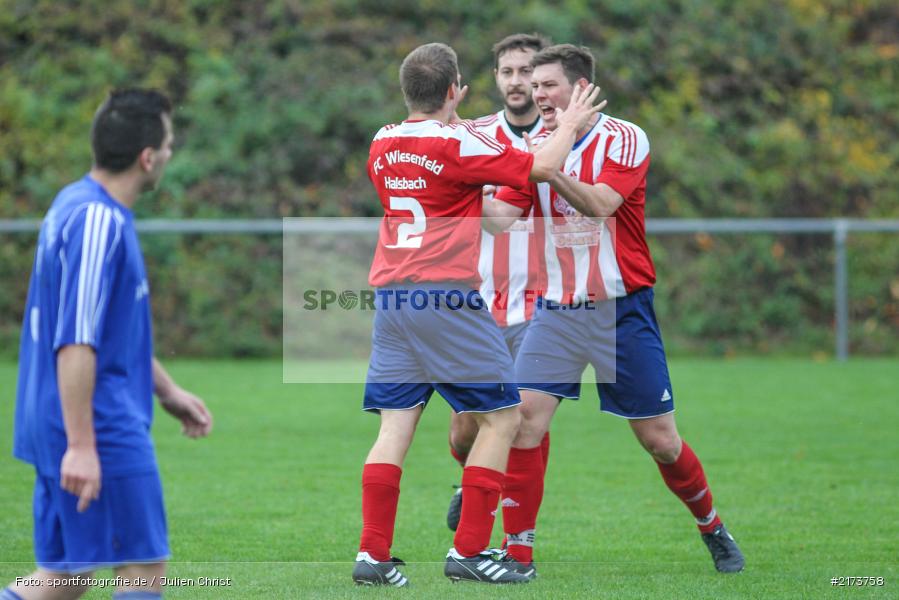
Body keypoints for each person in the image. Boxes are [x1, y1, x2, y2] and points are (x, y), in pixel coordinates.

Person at [352, 42, 604, 586]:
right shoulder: (459, 143)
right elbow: (541, 166)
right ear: (455, 90)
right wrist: (570, 122)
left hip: (392, 298)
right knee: (504, 419)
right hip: (446, 297)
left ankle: (372, 555)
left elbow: (460, 204)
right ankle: (468, 552)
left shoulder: (381, 141)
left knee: (395, 426)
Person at [489, 44, 745, 575]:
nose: (538, 95)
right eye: (534, 87)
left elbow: (603, 204)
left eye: (548, 85)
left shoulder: (625, 137)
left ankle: (712, 526)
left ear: (581, 88)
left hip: (620, 312)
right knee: (523, 422)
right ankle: (519, 555)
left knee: (661, 442)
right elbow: (499, 218)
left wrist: (547, 168)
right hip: (557, 312)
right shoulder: (535, 147)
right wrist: (454, 187)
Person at [4, 89, 213, 600]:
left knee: (66, 576)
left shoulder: (73, 203)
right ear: (147, 158)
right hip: (98, 423)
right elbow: (77, 340)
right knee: (143, 568)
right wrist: (81, 446)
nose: (170, 152)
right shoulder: (99, 221)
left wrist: (167, 390)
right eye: (168, 143)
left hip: (55, 416)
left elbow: (107, 331)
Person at [445, 33, 552, 538]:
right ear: (495, 78)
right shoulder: (473, 136)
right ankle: (471, 478)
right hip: (479, 304)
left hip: (542, 306)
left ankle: (517, 541)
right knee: (465, 430)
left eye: (527, 71)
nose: (517, 81)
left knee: (528, 421)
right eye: (507, 72)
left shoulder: (562, 138)